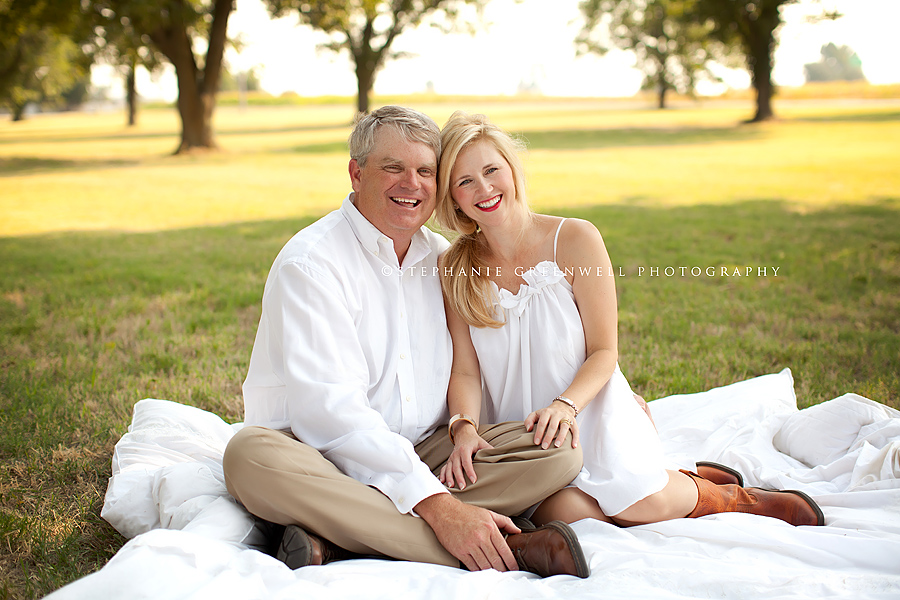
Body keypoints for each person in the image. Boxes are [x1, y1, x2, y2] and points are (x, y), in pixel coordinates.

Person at [222, 105, 590, 578]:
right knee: (249, 458)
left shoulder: (442, 260)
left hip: (426, 451)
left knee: (557, 449)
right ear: (356, 173)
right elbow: (330, 414)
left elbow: (494, 358)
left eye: (425, 171)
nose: (411, 184)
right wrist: (440, 506)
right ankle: (505, 551)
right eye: (392, 168)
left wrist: (598, 388)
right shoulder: (312, 265)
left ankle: (342, 538)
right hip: (321, 456)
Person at [434, 111, 825, 529]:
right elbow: (466, 369)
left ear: (512, 169)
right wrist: (464, 429)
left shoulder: (574, 238)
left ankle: (729, 497)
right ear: (452, 196)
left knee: (635, 506)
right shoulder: (454, 266)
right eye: (465, 181)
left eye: (492, 170)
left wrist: (566, 407)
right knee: (571, 515)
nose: (484, 188)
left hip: (586, 405)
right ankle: (685, 481)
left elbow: (605, 351)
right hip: (524, 433)